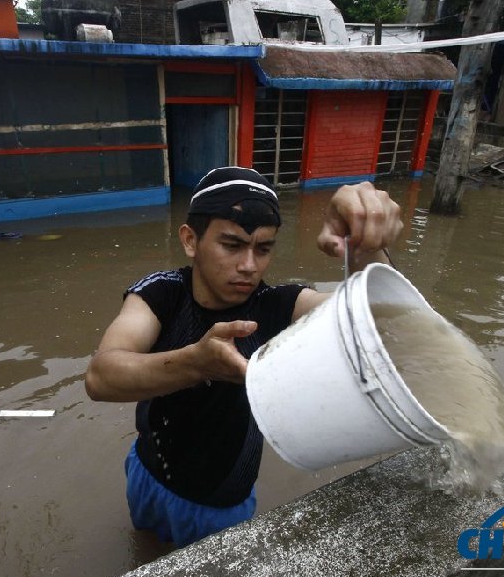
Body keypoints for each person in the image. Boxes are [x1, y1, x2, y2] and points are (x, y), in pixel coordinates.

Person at [84, 166, 402, 547]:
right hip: (147, 472)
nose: (249, 266)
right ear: (190, 240)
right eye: (232, 245)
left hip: (222, 504)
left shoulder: (277, 307)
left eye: (263, 249)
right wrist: (195, 363)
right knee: (144, 549)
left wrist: (366, 246)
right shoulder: (161, 294)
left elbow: (384, 322)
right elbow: (100, 377)